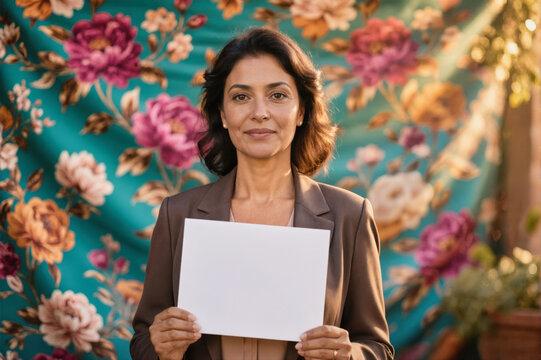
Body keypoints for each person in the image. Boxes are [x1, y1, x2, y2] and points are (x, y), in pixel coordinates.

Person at [130, 27, 394, 360]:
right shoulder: (177, 215)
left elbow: (377, 348)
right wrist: (161, 346)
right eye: (241, 96)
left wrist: (348, 355)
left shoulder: (350, 216)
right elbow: (142, 343)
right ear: (223, 115)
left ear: (301, 111)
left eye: (278, 95)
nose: (260, 112)